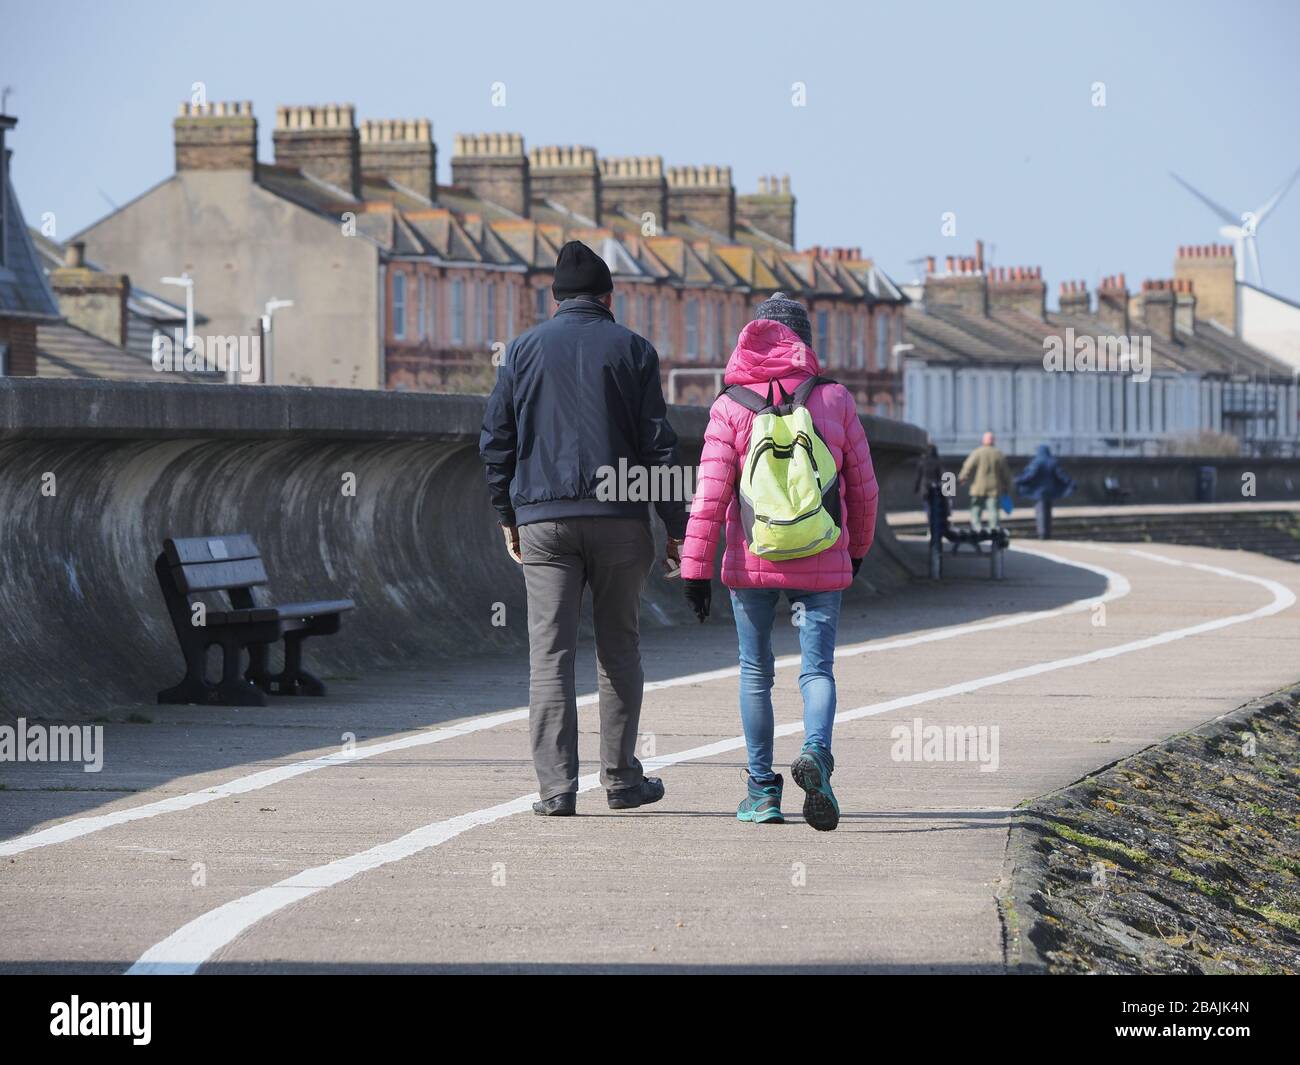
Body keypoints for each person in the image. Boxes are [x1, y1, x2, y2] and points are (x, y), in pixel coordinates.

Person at [479, 240, 687, 817]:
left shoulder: (520, 351)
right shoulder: (634, 350)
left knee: (550, 654)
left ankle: (556, 789)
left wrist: (506, 513)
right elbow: (658, 448)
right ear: (608, 297)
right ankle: (621, 780)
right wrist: (676, 527)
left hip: (544, 520)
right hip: (621, 518)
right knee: (619, 647)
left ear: (556, 299)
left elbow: (496, 440)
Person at [678, 293, 878, 831]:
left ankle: (762, 791)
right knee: (817, 669)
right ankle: (816, 754)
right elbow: (864, 488)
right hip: (821, 550)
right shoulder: (833, 400)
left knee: (754, 672)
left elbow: (709, 495)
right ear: (803, 342)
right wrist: (855, 549)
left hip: (752, 557)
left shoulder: (730, 405)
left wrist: (695, 570)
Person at [1015, 443, 1075, 539]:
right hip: (1050, 491)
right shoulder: (1053, 462)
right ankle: (1047, 532)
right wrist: (1071, 483)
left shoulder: (1037, 462)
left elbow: (1030, 475)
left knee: (1040, 512)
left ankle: (1042, 533)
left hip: (1038, 492)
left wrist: (1019, 480)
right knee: (1047, 512)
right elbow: (1061, 475)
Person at [958, 431, 1012, 533]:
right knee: (993, 510)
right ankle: (994, 530)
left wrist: (962, 478)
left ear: (983, 440)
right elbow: (1006, 473)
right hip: (994, 487)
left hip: (978, 487)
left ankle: (977, 528)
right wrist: (1007, 486)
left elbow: (967, 467)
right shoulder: (999, 454)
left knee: (976, 508)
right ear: (993, 441)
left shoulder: (977, 452)